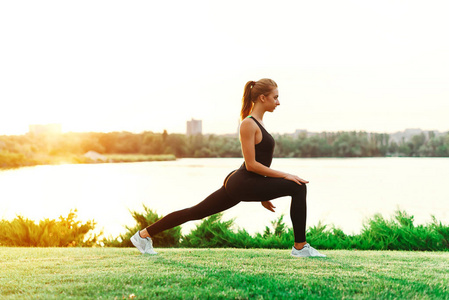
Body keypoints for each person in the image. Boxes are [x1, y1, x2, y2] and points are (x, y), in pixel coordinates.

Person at [131, 78, 326, 258]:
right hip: (242, 182)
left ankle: (143, 235)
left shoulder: (258, 123)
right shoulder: (248, 124)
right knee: (298, 186)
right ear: (262, 97)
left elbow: (261, 162)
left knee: (195, 212)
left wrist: (264, 194)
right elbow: (252, 165)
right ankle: (300, 247)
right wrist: (286, 175)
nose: (278, 102)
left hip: (243, 182)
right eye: (275, 97)